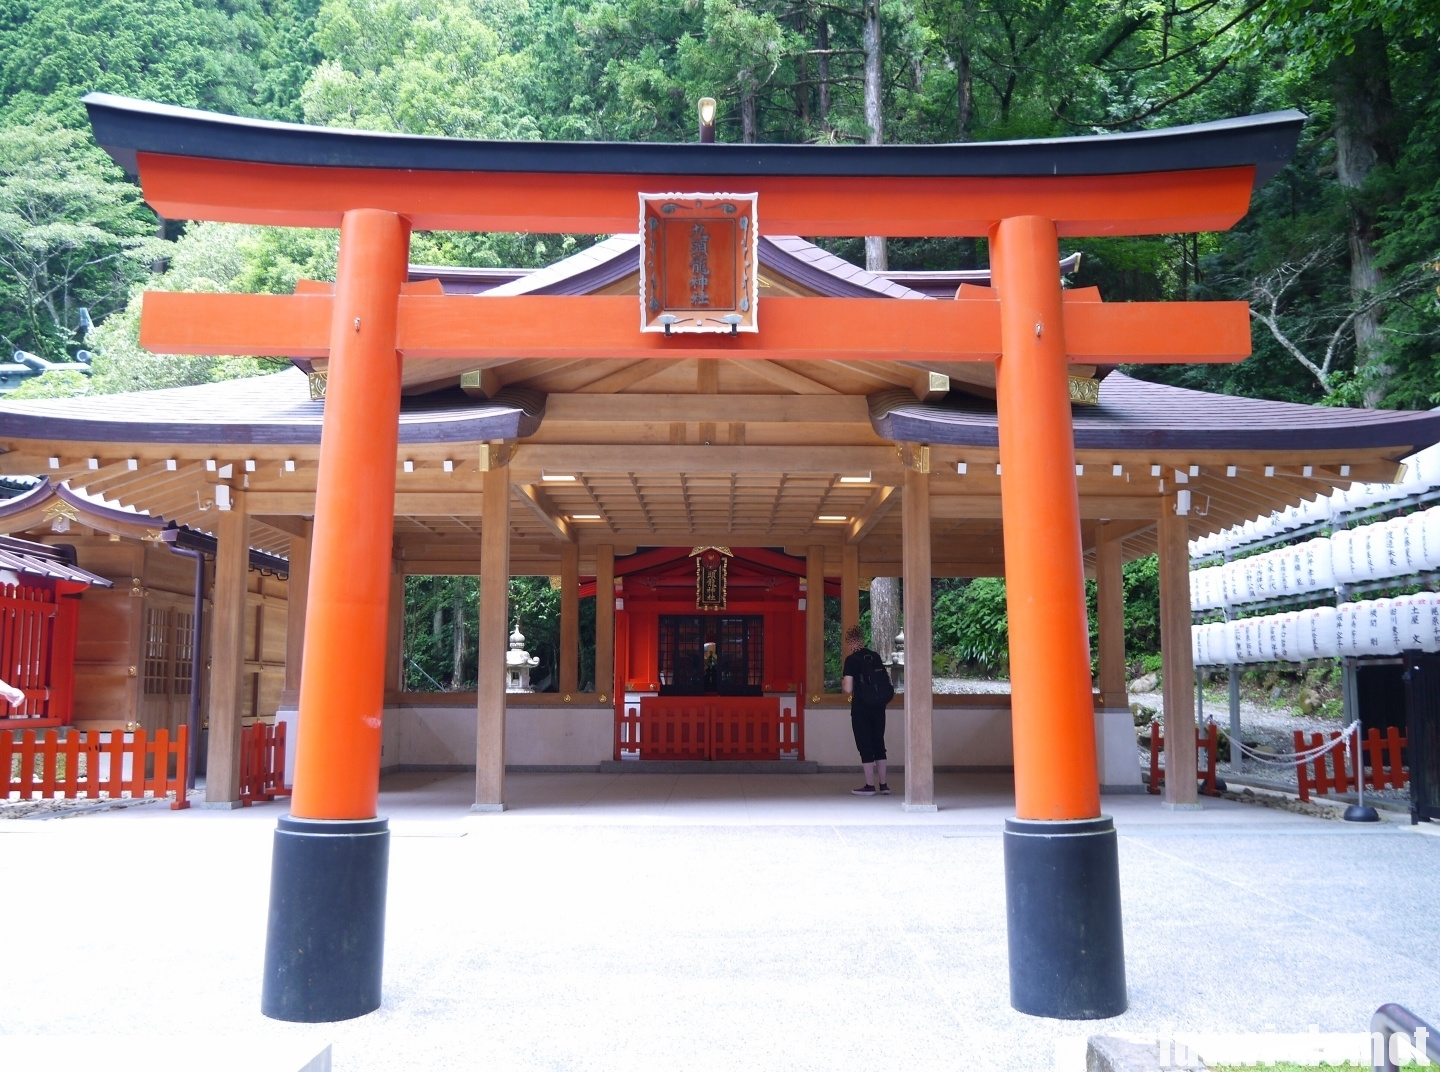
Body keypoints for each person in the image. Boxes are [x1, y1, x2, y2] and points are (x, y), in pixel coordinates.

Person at [840, 625, 891, 796]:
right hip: (879, 707)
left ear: (850, 643)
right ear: (862, 640)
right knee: (879, 743)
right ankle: (884, 785)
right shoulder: (874, 656)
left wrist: (843, 682)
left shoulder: (851, 660)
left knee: (865, 744)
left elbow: (848, 688)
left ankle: (869, 785)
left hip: (861, 707)